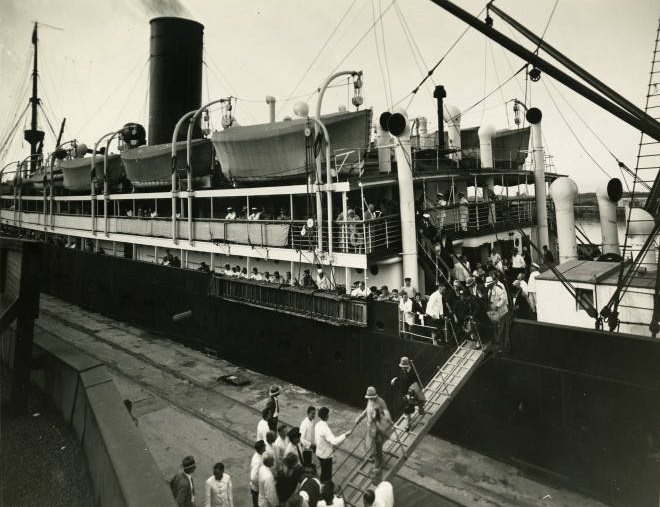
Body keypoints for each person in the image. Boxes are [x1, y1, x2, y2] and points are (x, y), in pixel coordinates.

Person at [354, 387, 392, 469]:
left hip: (378, 427)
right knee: (370, 444)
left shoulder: (380, 401)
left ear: (374, 396)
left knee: (378, 446)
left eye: (371, 398)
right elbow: (366, 410)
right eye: (369, 398)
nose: (370, 399)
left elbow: (385, 410)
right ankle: (374, 457)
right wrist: (360, 417)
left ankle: (380, 461)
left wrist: (388, 417)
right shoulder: (370, 401)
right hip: (371, 427)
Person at [315, 406, 351, 483]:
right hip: (326, 456)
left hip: (319, 453)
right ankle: (325, 488)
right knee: (327, 475)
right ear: (326, 416)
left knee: (324, 472)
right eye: (328, 414)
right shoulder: (325, 428)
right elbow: (334, 441)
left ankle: (322, 485)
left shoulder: (317, 424)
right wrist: (345, 435)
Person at [390, 356, 425, 430]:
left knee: (409, 408)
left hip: (412, 392)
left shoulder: (412, 373)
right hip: (404, 391)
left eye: (404, 366)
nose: (403, 368)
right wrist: (395, 379)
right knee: (407, 408)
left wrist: (409, 393)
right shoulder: (403, 370)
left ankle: (409, 424)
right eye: (402, 366)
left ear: (408, 365)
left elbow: (415, 384)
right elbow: (401, 378)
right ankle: (409, 423)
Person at [486, 276, 509, 352]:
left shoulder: (498, 288)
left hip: (502, 312)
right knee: (497, 329)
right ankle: (498, 344)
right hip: (495, 314)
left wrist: (497, 306)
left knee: (502, 330)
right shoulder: (490, 291)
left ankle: (503, 347)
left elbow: (503, 299)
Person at [250, 441, 267, 507]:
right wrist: (260, 485)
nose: (265, 446)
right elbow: (253, 477)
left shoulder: (259, 455)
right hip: (257, 489)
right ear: (261, 448)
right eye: (264, 446)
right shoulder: (257, 461)